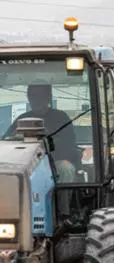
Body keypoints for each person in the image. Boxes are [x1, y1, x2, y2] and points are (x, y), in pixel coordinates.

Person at [9, 83, 79, 218]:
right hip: (27, 165)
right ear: (28, 98)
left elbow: (69, 145)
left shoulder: (61, 118)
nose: (36, 99)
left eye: (40, 96)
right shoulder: (22, 119)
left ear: (48, 97)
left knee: (65, 168)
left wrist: (50, 144)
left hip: (53, 163)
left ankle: (62, 214)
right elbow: (7, 139)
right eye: (32, 96)